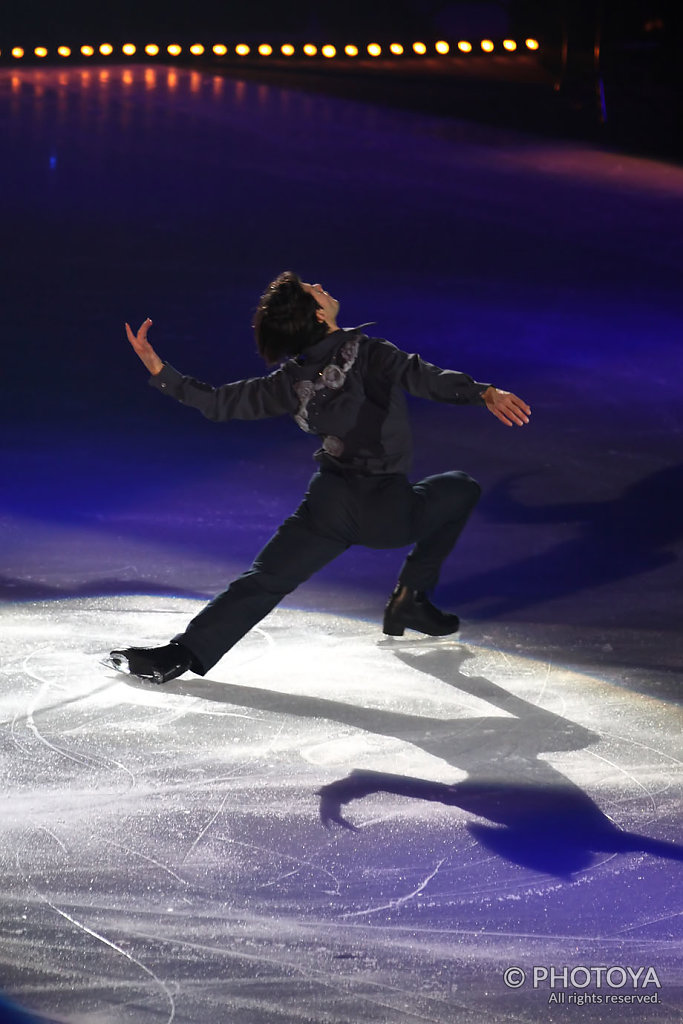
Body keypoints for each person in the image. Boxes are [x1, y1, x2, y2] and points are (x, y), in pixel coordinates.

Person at [110, 272, 530, 683]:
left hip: (328, 505)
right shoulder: (369, 353)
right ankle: (411, 599)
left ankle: (182, 653)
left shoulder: (291, 381)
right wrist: (484, 392)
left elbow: (221, 402)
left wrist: (158, 367)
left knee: (264, 580)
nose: (322, 288)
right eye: (315, 290)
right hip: (388, 511)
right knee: (461, 487)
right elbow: (425, 377)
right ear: (317, 316)